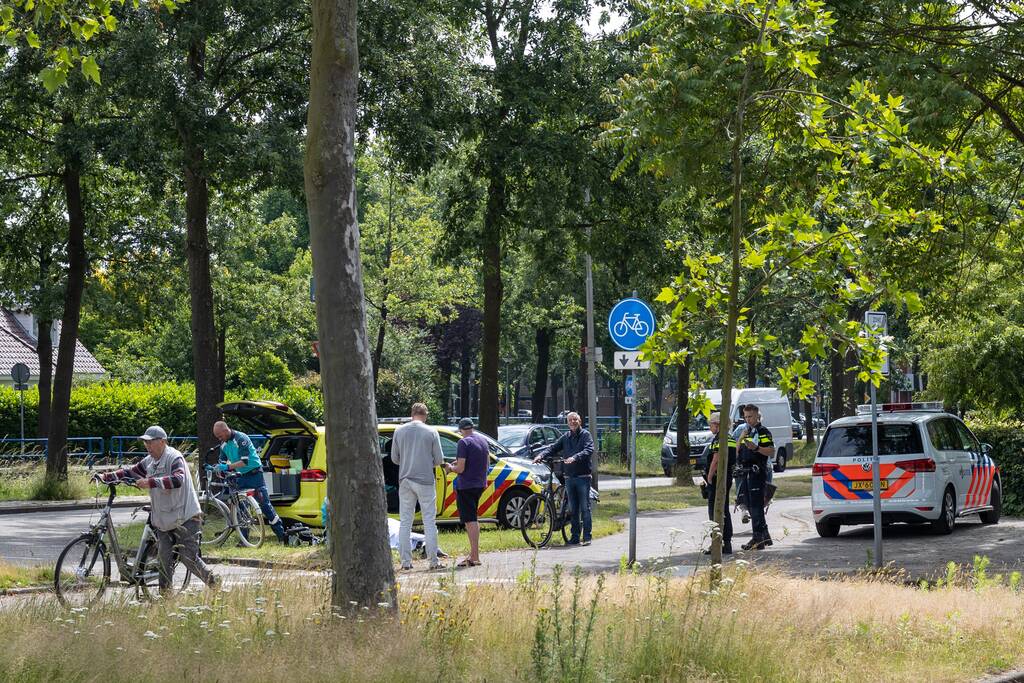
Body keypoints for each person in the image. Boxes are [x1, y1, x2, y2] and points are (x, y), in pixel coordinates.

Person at [96, 426, 219, 592]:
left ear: (162, 442)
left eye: (150, 442)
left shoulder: (174, 457)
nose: (147, 446)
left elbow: (178, 479)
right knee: (164, 561)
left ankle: (214, 582)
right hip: (164, 520)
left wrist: (151, 482)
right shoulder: (150, 461)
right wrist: (106, 476)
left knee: (188, 558)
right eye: (145, 442)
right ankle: (165, 598)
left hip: (186, 517)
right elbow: (131, 472)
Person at [213, 420, 287, 543]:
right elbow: (222, 460)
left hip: (255, 474)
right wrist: (217, 467)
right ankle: (244, 540)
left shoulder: (241, 438)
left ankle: (282, 535)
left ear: (226, 431)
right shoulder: (223, 444)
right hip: (241, 476)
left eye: (220, 436)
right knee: (242, 508)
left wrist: (227, 467)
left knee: (265, 505)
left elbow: (244, 462)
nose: (219, 439)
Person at [391, 402, 443, 570]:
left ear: (411, 414)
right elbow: (439, 460)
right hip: (425, 480)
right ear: (425, 415)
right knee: (429, 520)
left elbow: (394, 458)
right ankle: (433, 561)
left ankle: (406, 562)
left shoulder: (399, 431)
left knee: (405, 521)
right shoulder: (431, 432)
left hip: (405, 479)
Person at [533, 411, 594, 546]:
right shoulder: (565, 437)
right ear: (567, 423)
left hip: (583, 477)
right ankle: (575, 537)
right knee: (573, 509)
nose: (573, 422)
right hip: (569, 477)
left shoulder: (586, 435)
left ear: (580, 421)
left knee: (585, 508)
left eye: (575, 419)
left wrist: (575, 457)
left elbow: (589, 450)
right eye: (570, 420)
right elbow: (553, 448)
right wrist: (541, 456)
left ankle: (587, 536)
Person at [445, 417, 489, 567]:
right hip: (479, 484)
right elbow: (486, 463)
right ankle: (473, 554)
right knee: (473, 519)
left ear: (461, 430)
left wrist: (450, 468)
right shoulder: (482, 440)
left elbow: (461, 469)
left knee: (470, 521)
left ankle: (475, 556)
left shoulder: (463, 442)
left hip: (466, 486)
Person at [735, 404, 776, 550]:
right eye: (745, 417)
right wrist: (741, 438)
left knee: (756, 506)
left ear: (757, 416)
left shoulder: (763, 431)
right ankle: (764, 536)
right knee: (747, 503)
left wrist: (757, 448)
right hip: (746, 473)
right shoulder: (747, 431)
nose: (747, 420)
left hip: (757, 472)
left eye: (750, 416)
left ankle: (757, 538)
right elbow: (737, 450)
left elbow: (771, 451)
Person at [702, 412, 736, 555]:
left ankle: (717, 542)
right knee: (724, 509)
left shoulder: (719, 439)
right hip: (725, 478)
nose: (710, 427)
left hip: (717, 479)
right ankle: (726, 542)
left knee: (715, 510)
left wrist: (709, 477)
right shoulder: (730, 438)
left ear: (718, 425)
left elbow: (716, 459)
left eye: (711, 424)